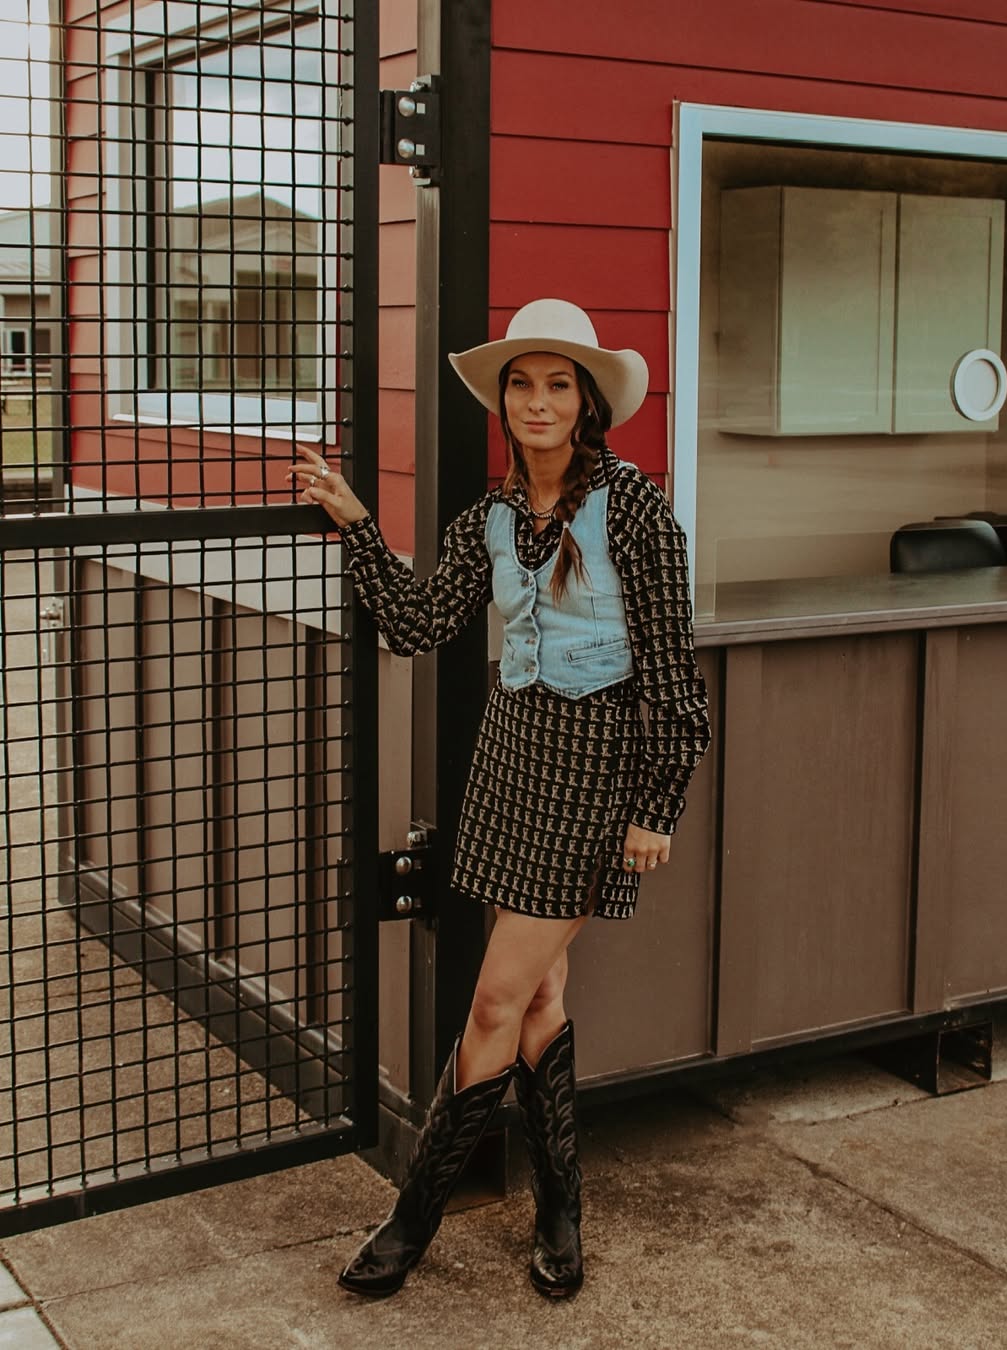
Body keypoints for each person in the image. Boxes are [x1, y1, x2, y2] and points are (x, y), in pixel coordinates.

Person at [286, 298, 710, 1300]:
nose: (537, 401)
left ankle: (408, 1223)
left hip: (593, 773)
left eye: (559, 383)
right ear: (504, 400)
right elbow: (419, 621)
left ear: (589, 401)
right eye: (521, 383)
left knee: (491, 999)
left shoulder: (639, 512)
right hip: (510, 763)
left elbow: (675, 680)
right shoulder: (487, 519)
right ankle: (563, 1205)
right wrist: (357, 524)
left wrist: (657, 806)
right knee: (540, 996)